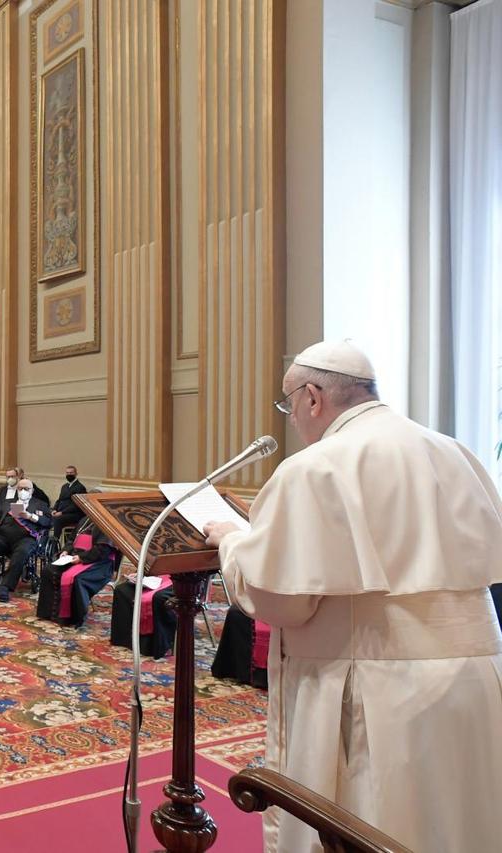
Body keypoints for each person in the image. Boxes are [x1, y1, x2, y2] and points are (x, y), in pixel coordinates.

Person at [202, 340, 502, 853]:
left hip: (377, 686)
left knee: (378, 822)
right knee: (461, 819)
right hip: (476, 677)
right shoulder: (452, 450)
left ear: (312, 397)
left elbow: (283, 601)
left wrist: (231, 540)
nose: (292, 418)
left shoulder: (315, 467)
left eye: (289, 404)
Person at [0, 477, 52, 601]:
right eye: (20, 488)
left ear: (32, 491)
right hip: (2, 536)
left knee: (22, 552)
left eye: (26, 489)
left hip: (26, 538)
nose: (23, 491)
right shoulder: (7, 502)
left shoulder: (40, 504)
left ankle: (5, 586)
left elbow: (49, 522)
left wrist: (31, 517)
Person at [51, 465, 87, 538]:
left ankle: (55, 541)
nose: (69, 475)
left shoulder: (80, 487)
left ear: (76, 474)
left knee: (58, 519)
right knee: (47, 515)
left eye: (71, 473)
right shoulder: (64, 486)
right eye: (67, 473)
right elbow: (59, 500)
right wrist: (54, 509)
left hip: (74, 514)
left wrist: (61, 512)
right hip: (61, 512)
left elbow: (76, 505)